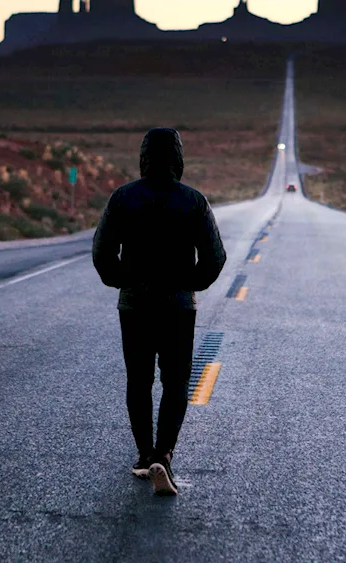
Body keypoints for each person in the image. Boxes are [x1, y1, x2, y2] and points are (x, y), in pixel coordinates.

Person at [92, 127, 226, 496]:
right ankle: (163, 455)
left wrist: (123, 280)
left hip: (134, 305)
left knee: (139, 381)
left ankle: (143, 455)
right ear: (178, 159)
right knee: (176, 381)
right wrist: (190, 284)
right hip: (178, 308)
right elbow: (215, 257)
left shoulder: (122, 198)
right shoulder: (193, 201)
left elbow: (102, 252)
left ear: (144, 157)